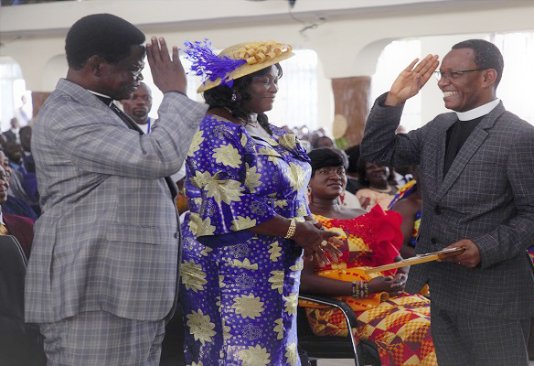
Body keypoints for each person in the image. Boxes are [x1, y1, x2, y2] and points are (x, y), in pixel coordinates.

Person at [23, 14, 209, 365]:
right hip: (92, 292)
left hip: (125, 292)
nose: (139, 79)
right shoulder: (67, 114)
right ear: (96, 66)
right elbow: (157, 156)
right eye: (133, 69)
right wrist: (173, 92)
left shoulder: (98, 108)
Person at [360, 39, 534, 365]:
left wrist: (485, 247)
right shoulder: (440, 127)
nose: (441, 82)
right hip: (443, 285)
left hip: (493, 291)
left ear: (487, 77)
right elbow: (378, 152)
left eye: (455, 74)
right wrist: (395, 100)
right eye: (442, 73)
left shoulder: (519, 136)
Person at [179, 40, 340, 365]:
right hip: (234, 267)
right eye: (264, 80)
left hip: (277, 265)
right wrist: (297, 230)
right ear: (235, 88)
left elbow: (294, 186)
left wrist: (310, 229)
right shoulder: (214, 132)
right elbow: (227, 204)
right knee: (240, 352)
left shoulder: (269, 130)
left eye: (276, 78)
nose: (275, 87)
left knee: (277, 350)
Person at [301, 148, 437, 366]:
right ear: (306, 178)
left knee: (447, 324)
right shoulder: (305, 224)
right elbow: (303, 281)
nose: (335, 176)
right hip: (336, 308)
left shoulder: (365, 217)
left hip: (386, 297)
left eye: (339, 170)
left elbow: (399, 260)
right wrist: (363, 288)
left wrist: (402, 276)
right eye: (325, 171)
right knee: (422, 330)